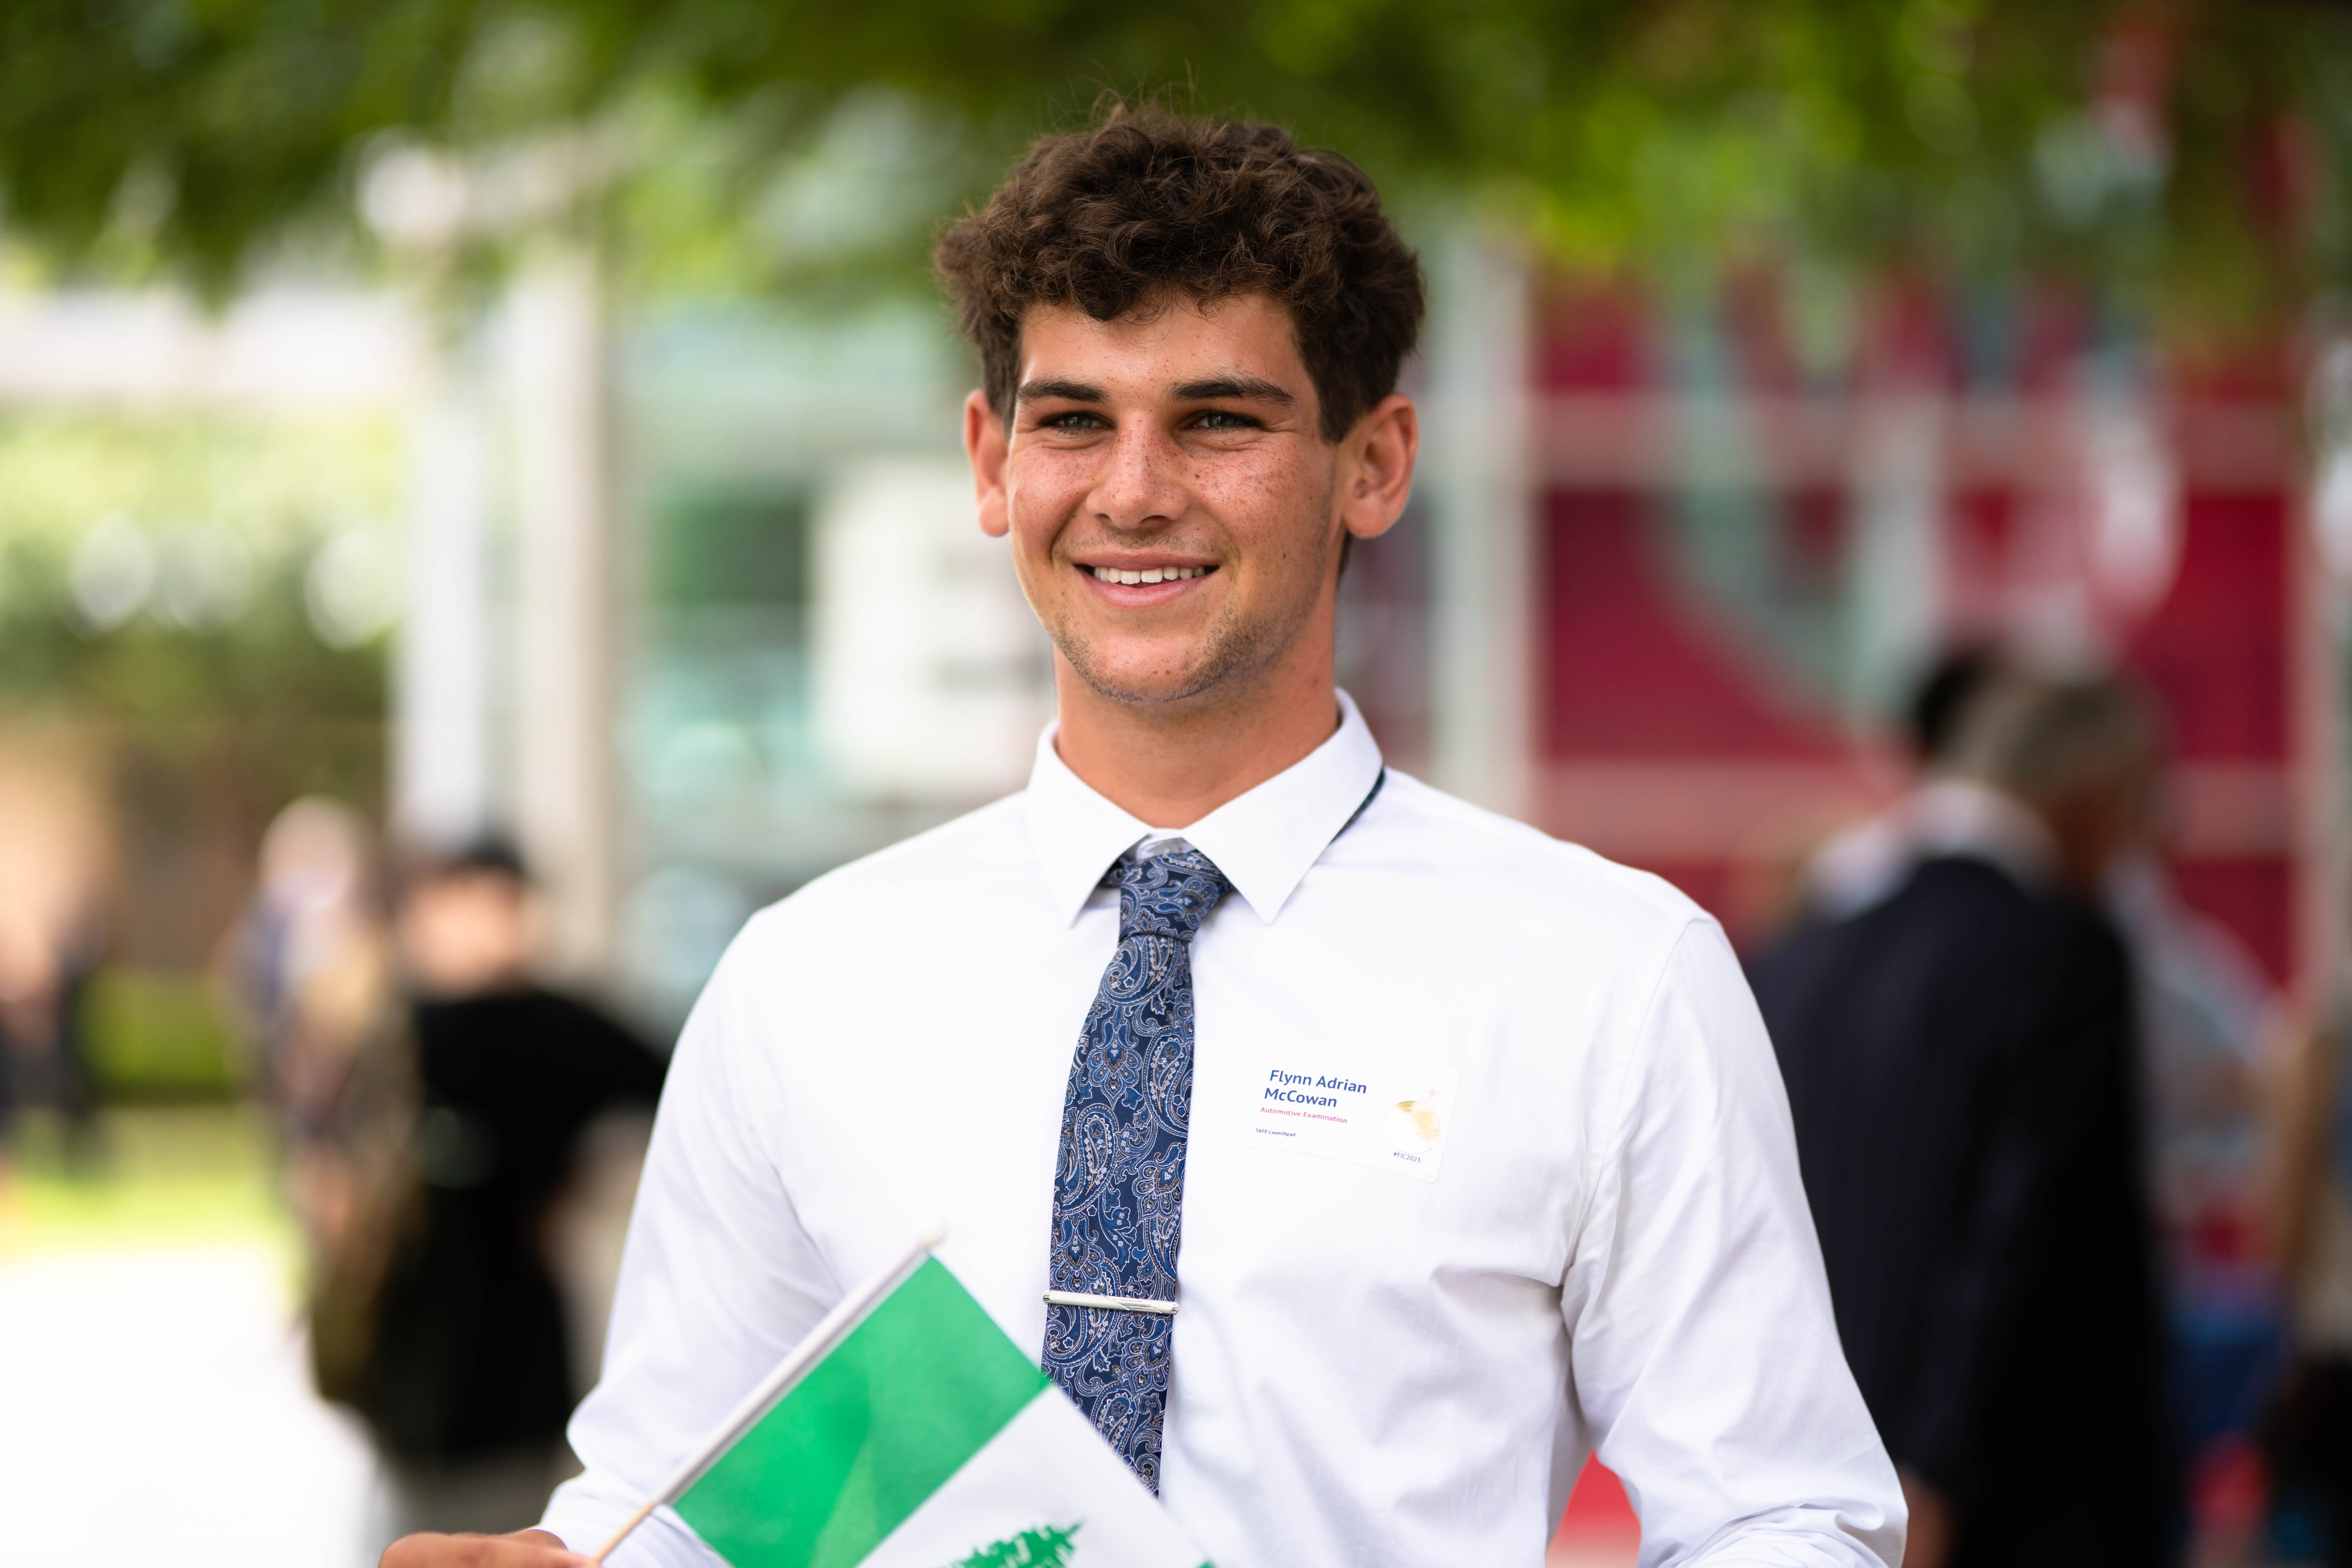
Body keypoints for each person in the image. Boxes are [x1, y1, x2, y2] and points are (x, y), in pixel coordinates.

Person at [386, 103, 1902, 1568]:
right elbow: (682, 1509)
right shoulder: (805, 984)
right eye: (1073, 422)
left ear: (1374, 462)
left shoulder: (1606, 979)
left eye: (1217, 421)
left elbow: (1784, 1514)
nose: (1132, 490)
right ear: (991, 460)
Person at [1750, 673, 2176, 1568]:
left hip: (1814, 1496)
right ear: (2095, 800)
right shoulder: (2064, 953)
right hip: (2013, 1508)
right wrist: (1934, 1473)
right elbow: (2023, 1244)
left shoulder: (1793, 962)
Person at [359, 841, 666, 1544]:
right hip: (415, 1356)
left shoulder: (554, 1024)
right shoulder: (407, 1022)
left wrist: (582, 1189)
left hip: (506, 1361)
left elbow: (677, 1092)